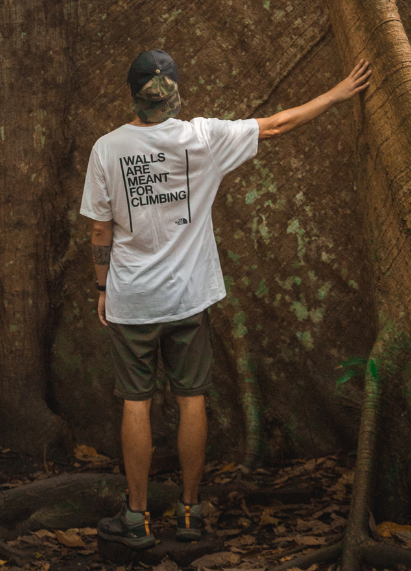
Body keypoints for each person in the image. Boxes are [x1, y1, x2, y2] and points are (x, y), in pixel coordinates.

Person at [81, 48, 371, 549]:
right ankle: (190, 514)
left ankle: (136, 518)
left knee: (136, 403)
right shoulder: (203, 138)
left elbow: (99, 230)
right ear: (176, 92)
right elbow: (276, 125)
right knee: (191, 399)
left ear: (132, 95)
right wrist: (338, 93)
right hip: (189, 299)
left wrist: (103, 287)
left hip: (133, 300)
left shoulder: (108, 149)